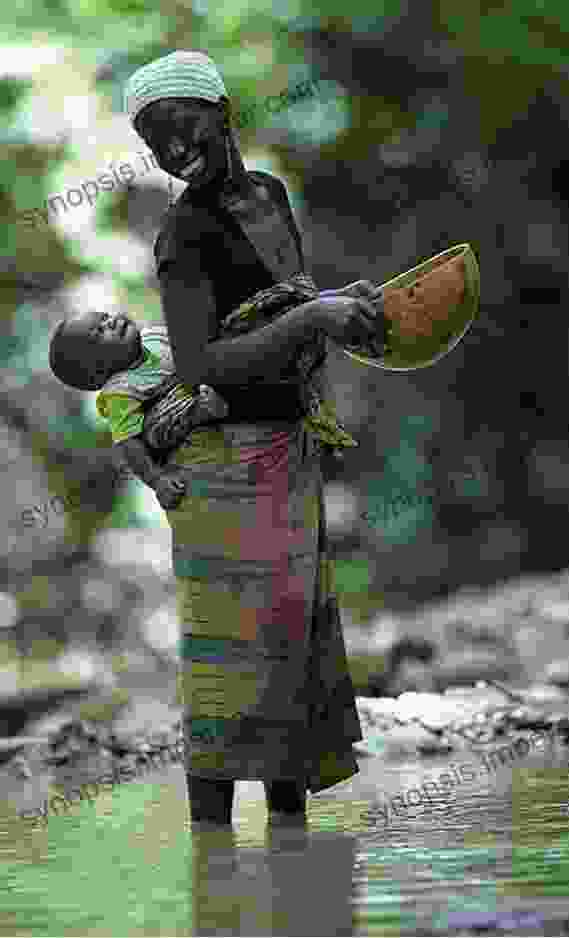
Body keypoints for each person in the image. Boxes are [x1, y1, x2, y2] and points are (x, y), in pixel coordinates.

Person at [124, 50, 384, 825]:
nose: (173, 150)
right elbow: (207, 364)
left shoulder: (269, 194)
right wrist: (313, 317)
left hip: (285, 448)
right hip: (221, 465)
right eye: (153, 140)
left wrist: (339, 304)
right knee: (229, 677)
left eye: (182, 126)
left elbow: (281, 305)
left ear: (221, 110)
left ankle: (284, 879)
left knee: (288, 670)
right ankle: (213, 857)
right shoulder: (184, 234)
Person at [48, 310, 229, 510]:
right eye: (99, 332)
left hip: (194, 382)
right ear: (97, 372)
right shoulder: (120, 392)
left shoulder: (153, 336)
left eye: (105, 316)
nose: (112, 322)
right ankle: (201, 410)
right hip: (172, 419)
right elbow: (129, 443)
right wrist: (157, 481)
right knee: (154, 427)